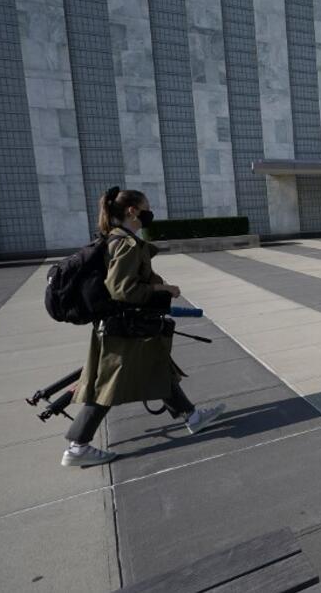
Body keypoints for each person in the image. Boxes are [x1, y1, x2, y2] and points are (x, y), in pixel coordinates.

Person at [62, 187, 225, 468]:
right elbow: (122, 289)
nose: (150, 213)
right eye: (146, 207)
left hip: (125, 325)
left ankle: (192, 417)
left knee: (156, 368)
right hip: (124, 327)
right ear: (132, 211)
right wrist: (162, 288)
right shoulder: (125, 243)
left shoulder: (114, 239)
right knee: (108, 385)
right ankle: (78, 446)